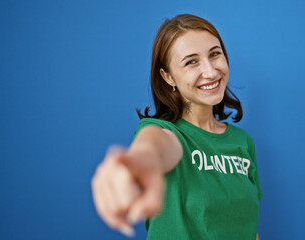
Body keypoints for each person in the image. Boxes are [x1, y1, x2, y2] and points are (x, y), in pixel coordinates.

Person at [91, 14, 263, 239]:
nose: (211, 71)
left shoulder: (243, 142)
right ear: (168, 76)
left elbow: (248, 229)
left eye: (215, 54)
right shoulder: (167, 134)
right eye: (191, 61)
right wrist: (138, 161)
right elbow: (154, 146)